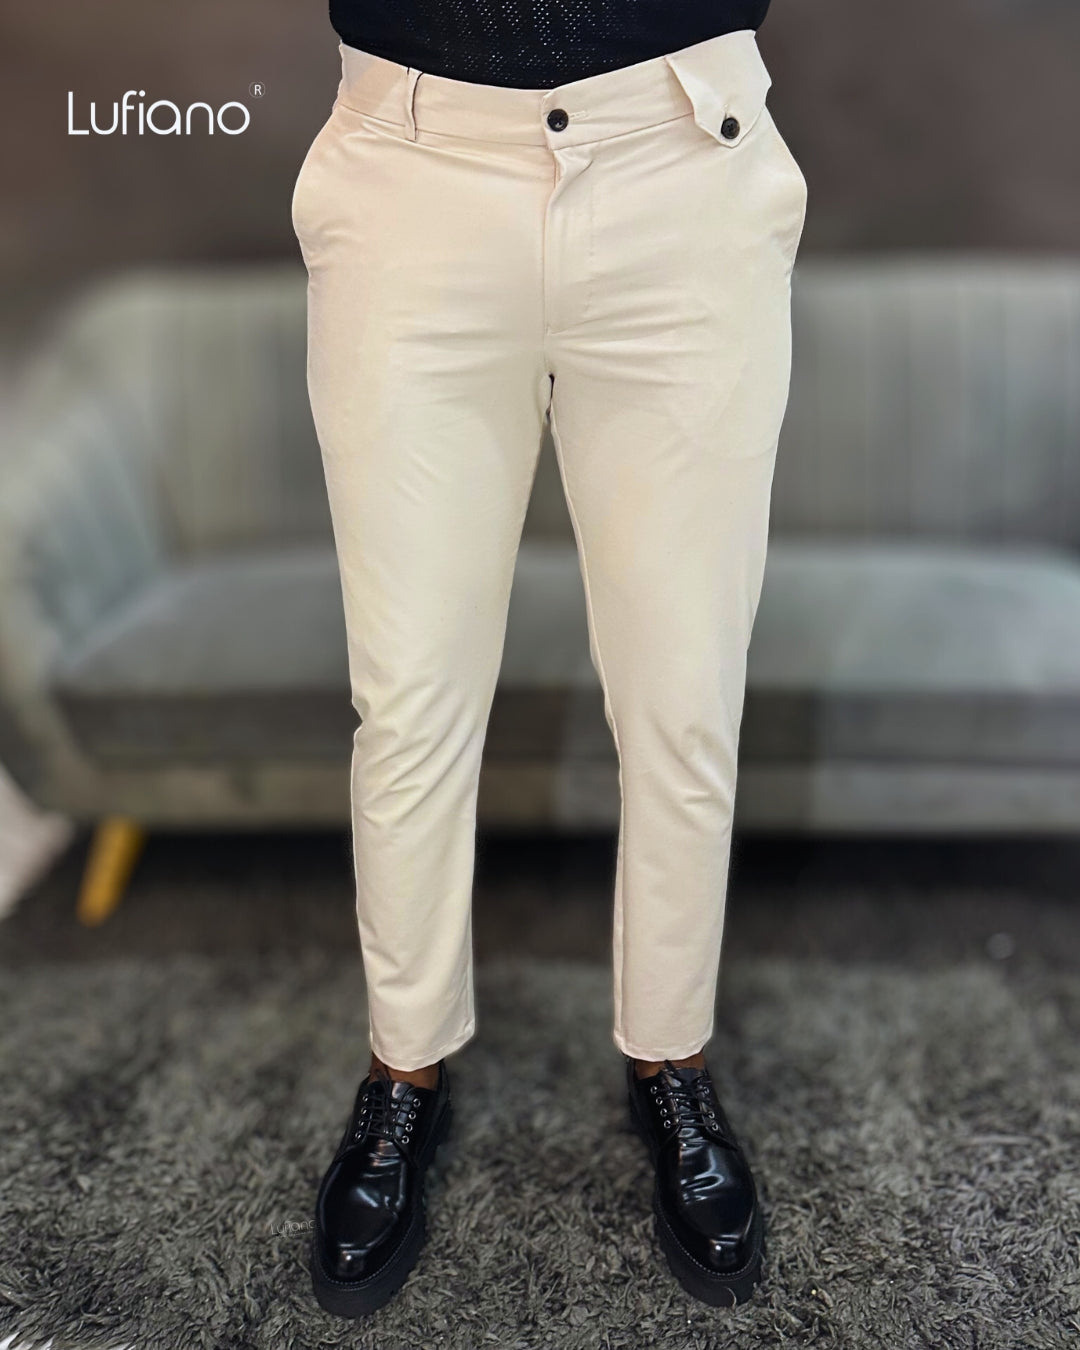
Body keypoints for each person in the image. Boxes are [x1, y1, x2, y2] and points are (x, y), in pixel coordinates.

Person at [291, 0, 807, 1318]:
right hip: (411, 169)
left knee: (685, 696)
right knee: (409, 698)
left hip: (683, 158)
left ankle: (671, 1059)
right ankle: (404, 1067)